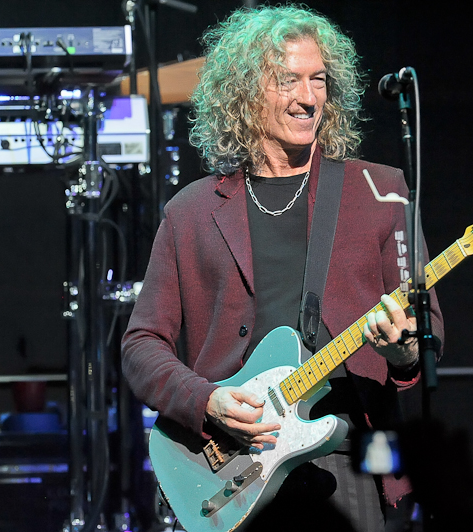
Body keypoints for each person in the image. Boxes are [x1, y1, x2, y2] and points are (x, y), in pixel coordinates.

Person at [120, 5, 443, 532]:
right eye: (288, 80)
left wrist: (403, 349)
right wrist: (209, 401)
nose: (309, 97)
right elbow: (140, 346)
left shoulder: (379, 193)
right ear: (245, 93)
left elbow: (424, 335)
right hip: (228, 465)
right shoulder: (191, 211)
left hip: (348, 459)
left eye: (318, 79)